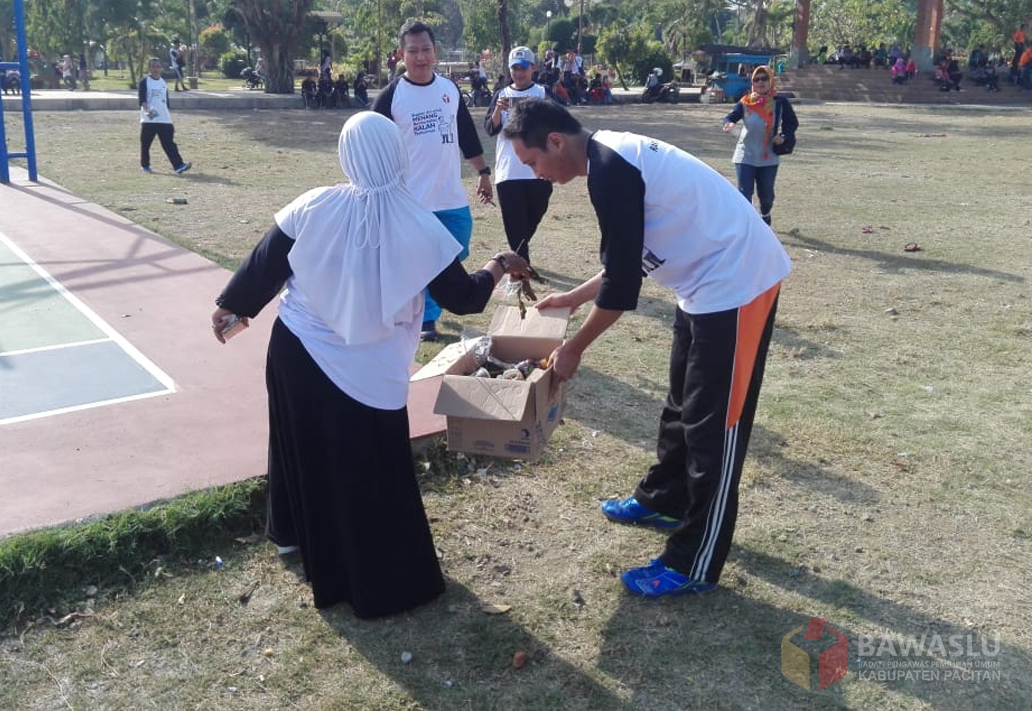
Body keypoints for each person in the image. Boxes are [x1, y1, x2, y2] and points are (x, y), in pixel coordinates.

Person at [210, 112, 530, 617]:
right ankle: (378, 577)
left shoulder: (313, 205)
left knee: (301, 445)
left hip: (299, 353)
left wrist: (234, 309)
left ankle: (295, 538)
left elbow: (262, 267)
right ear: (397, 154)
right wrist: (499, 263)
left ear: (346, 154)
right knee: (368, 469)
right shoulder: (419, 222)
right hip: (371, 371)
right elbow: (465, 298)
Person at [501, 98, 791, 598]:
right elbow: (626, 258)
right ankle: (663, 498)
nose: (537, 174)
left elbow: (621, 293)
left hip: (739, 283)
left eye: (533, 163)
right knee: (681, 403)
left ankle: (695, 561)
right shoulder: (606, 159)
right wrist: (572, 298)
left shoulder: (611, 167)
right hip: (703, 285)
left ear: (555, 141)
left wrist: (574, 349)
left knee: (713, 426)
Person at [373, 21, 493, 343]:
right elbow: (371, 142)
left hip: (451, 195)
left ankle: (425, 300)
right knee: (428, 260)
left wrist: (483, 173)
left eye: (426, 50)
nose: (420, 57)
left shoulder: (449, 90)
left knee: (457, 249)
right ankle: (426, 319)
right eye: (413, 51)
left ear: (435, 52)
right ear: (402, 54)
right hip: (412, 202)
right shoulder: (391, 96)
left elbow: (466, 133)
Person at [484, 46, 553, 264]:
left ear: (533, 68)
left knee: (534, 215)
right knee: (515, 224)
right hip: (509, 171)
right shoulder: (502, 95)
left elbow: (559, 123)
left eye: (523, 68)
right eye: (514, 68)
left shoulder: (543, 93)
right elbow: (490, 129)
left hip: (539, 171)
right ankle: (520, 268)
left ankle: (518, 255)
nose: (519, 73)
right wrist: (497, 111)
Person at [721, 66, 798, 226]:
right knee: (744, 194)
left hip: (768, 156)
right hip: (745, 155)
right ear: (752, 82)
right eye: (757, 79)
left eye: (765, 79)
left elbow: (792, 123)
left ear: (771, 81)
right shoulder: (745, 102)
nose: (761, 82)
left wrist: (783, 136)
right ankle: (747, 225)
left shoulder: (780, 103)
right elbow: (730, 117)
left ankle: (765, 215)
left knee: (766, 195)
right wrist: (728, 124)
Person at [138, 57, 191, 175]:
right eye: (153, 66)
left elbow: (165, 101)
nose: (155, 69)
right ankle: (145, 165)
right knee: (145, 144)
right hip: (149, 120)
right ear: (149, 68)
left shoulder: (163, 82)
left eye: (157, 66)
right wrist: (147, 110)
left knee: (169, 143)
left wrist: (167, 114)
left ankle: (178, 166)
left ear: (161, 68)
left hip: (164, 119)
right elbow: (142, 100)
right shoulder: (144, 82)